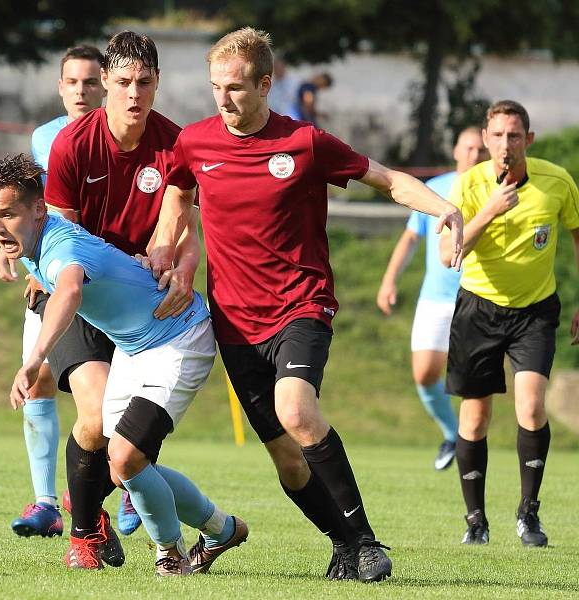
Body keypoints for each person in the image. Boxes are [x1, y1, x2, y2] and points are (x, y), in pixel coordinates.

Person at [148, 27, 464, 583]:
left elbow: (386, 180)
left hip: (301, 305)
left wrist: (443, 207)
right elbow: (177, 194)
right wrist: (162, 249)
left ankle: (365, 543)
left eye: (237, 88)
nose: (224, 99)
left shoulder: (305, 143)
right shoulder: (195, 143)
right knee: (287, 461)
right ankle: (342, 543)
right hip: (235, 324)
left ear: (267, 84)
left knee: (297, 410)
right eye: (215, 87)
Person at [0, 153, 248, 576]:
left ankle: (171, 555)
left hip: (178, 337)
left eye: (8, 214)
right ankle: (221, 529)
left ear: (38, 209)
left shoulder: (60, 248)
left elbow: (67, 292)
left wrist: (33, 361)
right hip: (134, 348)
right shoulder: (33, 238)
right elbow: (30, 251)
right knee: (125, 468)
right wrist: (7, 250)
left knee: (124, 458)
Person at [41, 31, 200, 569]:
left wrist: (183, 263)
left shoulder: (176, 145)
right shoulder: (72, 145)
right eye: (124, 82)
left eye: (145, 82)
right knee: (95, 415)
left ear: (158, 83)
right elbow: (64, 242)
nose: (134, 93)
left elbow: (189, 224)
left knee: (124, 442)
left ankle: (106, 508)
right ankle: (85, 533)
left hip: (143, 307)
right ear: (106, 81)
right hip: (81, 292)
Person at [0, 45, 121, 539]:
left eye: (91, 81)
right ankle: (46, 502)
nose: (83, 91)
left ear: (104, 84)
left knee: (114, 397)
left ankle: (121, 489)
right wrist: (11, 249)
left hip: (97, 276)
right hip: (47, 275)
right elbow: (31, 207)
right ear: (60, 86)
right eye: (74, 82)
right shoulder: (44, 137)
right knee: (38, 382)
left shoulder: (117, 136)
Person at [439, 100, 579, 547]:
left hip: (535, 310)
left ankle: (528, 514)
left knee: (532, 407)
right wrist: (490, 211)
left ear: (528, 140)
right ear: (484, 140)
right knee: (475, 417)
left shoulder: (557, 182)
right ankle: (475, 520)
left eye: (514, 136)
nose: (505, 145)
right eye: (497, 136)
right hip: (478, 308)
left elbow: (578, 232)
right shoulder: (468, 187)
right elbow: (449, 254)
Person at [376, 127, 486, 471]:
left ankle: (471, 450)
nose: (474, 154)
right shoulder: (435, 188)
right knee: (425, 374)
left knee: (471, 381)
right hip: (435, 299)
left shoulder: (492, 190)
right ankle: (451, 434)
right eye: (468, 147)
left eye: (481, 149)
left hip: (478, 297)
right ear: (455, 149)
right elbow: (411, 239)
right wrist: (389, 280)